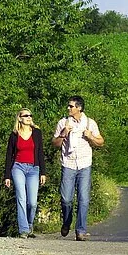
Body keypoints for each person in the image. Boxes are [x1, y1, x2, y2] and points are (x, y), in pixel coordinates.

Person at [52, 96, 104, 240]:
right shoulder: (63, 122)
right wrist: (63, 134)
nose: (68, 108)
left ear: (79, 108)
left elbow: (101, 141)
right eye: (68, 106)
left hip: (84, 164)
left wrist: (91, 137)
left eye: (71, 106)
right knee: (66, 199)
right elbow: (55, 143)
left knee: (84, 198)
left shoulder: (89, 123)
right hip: (68, 163)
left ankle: (81, 230)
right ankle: (67, 222)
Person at [4, 108, 47, 239]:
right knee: (21, 198)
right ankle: (23, 230)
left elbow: (40, 152)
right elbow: (9, 156)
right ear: (20, 118)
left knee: (32, 202)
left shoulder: (37, 133)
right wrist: (7, 176)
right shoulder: (14, 135)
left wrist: (43, 172)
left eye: (30, 115)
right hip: (18, 168)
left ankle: (29, 225)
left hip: (34, 169)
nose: (29, 117)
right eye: (26, 115)